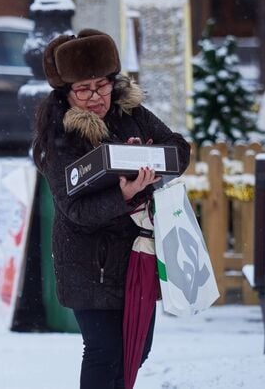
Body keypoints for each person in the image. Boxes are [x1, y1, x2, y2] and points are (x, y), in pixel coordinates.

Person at [33, 29, 190, 389]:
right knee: (105, 351)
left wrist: (151, 158)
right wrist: (125, 194)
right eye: (83, 89)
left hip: (138, 256)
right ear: (66, 92)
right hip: (89, 263)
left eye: (102, 85)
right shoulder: (59, 134)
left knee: (137, 349)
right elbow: (76, 210)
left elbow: (178, 149)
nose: (95, 97)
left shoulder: (129, 111)